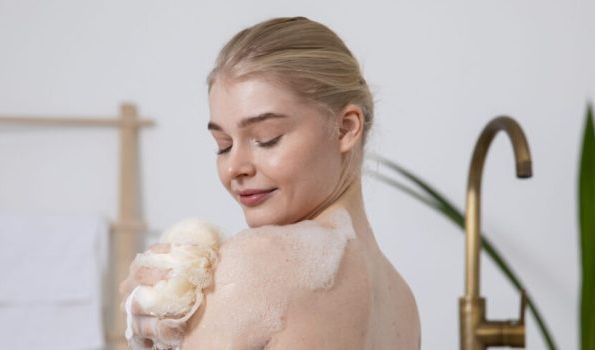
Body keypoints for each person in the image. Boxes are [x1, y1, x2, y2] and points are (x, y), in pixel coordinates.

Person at [120, 16, 421, 349]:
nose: (234, 167)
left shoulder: (255, 264)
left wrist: (144, 337)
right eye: (223, 145)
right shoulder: (402, 302)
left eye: (266, 138)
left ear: (346, 128)